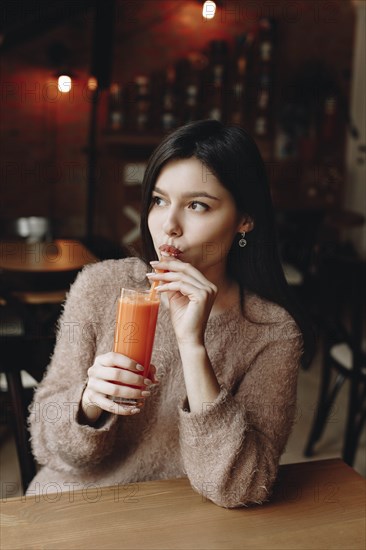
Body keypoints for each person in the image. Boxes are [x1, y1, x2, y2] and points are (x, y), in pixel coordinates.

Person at [28, 119, 313, 508]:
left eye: (197, 205)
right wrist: (88, 403)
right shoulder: (102, 286)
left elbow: (241, 487)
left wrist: (193, 346)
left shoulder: (272, 332)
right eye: (159, 200)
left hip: (179, 520)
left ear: (245, 219)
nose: (168, 226)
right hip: (74, 506)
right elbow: (46, 444)